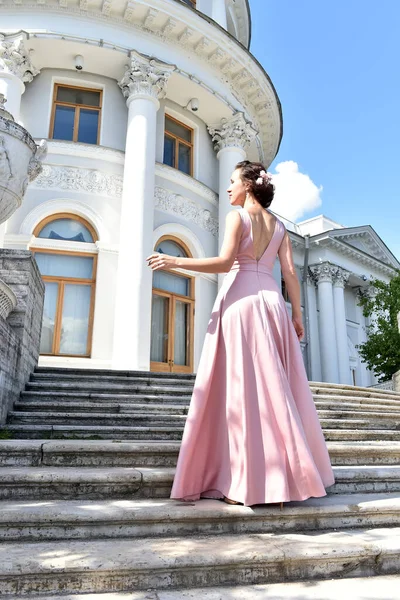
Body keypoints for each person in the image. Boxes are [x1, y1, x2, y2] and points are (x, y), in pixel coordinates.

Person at [147, 160, 335, 507]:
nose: (229, 187)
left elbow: (223, 263)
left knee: (241, 392)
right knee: (276, 391)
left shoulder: (238, 218)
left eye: (233, 181)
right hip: (273, 304)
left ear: (249, 185)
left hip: (242, 302)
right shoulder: (278, 226)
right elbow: (290, 273)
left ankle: (246, 481)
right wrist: (296, 313)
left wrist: (174, 262)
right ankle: (284, 481)